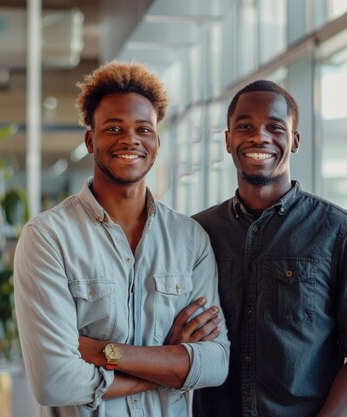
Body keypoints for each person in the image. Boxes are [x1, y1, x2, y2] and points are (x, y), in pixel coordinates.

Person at [14, 61, 229, 417]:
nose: (130, 139)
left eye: (143, 129)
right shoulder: (48, 238)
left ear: (157, 142)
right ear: (90, 140)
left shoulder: (190, 239)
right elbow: (55, 381)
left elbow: (216, 364)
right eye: (114, 128)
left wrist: (104, 352)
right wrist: (171, 366)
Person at [191, 80, 347, 417]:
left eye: (275, 127)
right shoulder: (196, 233)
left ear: (294, 141)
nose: (259, 136)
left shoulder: (343, 233)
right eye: (245, 126)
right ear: (228, 140)